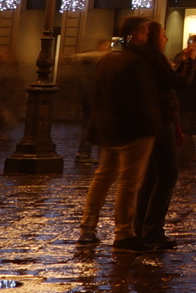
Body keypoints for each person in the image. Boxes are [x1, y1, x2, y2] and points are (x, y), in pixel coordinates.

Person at [78, 15, 159, 252]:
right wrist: (150, 126)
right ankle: (124, 232)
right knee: (129, 182)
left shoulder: (107, 60)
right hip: (133, 132)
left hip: (108, 130)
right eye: (144, 32)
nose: (146, 37)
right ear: (134, 35)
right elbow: (143, 101)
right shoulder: (137, 62)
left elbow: (98, 95)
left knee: (102, 178)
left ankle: (88, 227)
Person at [133, 21, 183, 250]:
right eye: (163, 35)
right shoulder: (154, 57)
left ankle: (141, 227)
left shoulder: (145, 58)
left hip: (153, 122)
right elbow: (178, 82)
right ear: (154, 38)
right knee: (167, 176)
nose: (167, 39)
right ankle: (152, 230)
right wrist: (189, 61)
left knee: (151, 177)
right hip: (161, 122)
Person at [65, 39, 111, 161]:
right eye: (107, 46)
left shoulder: (86, 61)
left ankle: (84, 152)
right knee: (91, 125)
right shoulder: (98, 57)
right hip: (93, 96)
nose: (108, 49)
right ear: (102, 46)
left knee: (87, 125)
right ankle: (85, 153)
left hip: (86, 96)